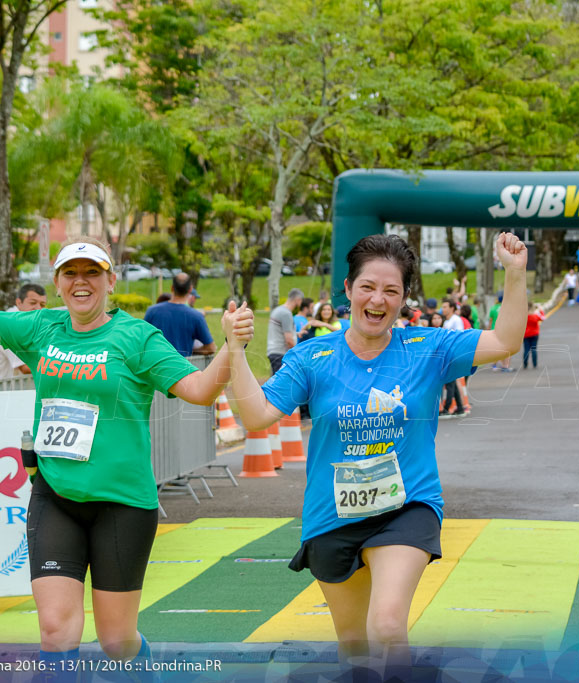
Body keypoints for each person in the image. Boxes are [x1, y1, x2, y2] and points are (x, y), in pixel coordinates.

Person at [0, 197, 253, 674]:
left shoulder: (136, 338)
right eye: (70, 273)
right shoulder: (41, 326)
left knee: (116, 639)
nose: (80, 281)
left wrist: (231, 346)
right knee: (55, 629)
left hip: (122, 504)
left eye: (92, 272)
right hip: (56, 495)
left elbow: (200, 390)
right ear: (58, 283)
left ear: (110, 280)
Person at [220, 232, 527, 680]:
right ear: (347, 290)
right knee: (355, 645)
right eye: (367, 287)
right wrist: (234, 350)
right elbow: (256, 416)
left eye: (391, 291)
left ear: (404, 299)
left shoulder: (430, 349)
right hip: (332, 516)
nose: (377, 299)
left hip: (407, 508)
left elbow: (505, 341)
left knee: (386, 627)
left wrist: (515, 274)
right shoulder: (312, 357)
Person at [0, 284, 48, 384]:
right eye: (33, 303)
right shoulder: (12, 323)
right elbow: (26, 368)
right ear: (19, 302)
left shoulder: (19, 322)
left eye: (42, 305)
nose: (38, 308)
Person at [143, 272, 216, 357]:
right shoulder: (196, 316)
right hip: (182, 367)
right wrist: (191, 350)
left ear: (172, 288)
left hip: (156, 367)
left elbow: (142, 341)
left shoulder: (152, 311)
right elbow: (211, 348)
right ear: (190, 289)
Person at [267, 289, 304, 375]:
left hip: (274, 351)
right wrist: (299, 353)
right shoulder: (286, 313)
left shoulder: (278, 310)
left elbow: (281, 331)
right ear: (298, 300)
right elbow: (288, 340)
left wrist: (296, 334)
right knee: (281, 385)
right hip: (281, 353)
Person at [522, 303, 545, 370]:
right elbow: (543, 318)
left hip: (526, 335)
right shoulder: (535, 316)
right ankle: (535, 364)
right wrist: (540, 310)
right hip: (534, 334)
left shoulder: (524, 316)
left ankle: (525, 364)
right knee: (534, 349)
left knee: (526, 349)